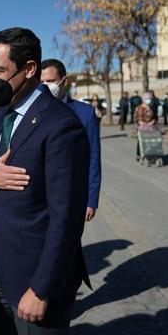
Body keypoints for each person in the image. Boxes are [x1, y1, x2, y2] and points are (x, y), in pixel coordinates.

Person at [0, 28, 90, 334]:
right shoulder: (2, 114)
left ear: (29, 69)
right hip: (0, 268)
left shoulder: (61, 126)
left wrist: (41, 290)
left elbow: (66, 218)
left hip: (37, 279)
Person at [41, 59, 102, 222]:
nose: (46, 86)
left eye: (51, 81)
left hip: (72, 197)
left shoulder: (85, 113)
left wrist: (91, 200)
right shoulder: (31, 112)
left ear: (64, 81)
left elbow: (93, 157)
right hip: (38, 199)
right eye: (41, 82)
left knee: (69, 245)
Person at [134, 92, 156, 161]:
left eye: (150, 98)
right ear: (143, 99)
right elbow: (135, 118)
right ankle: (139, 155)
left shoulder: (152, 107)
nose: (149, 100)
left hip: (150, 127)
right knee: (141, 141)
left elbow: (155, 117)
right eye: (147, 98)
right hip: (141, 127)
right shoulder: (139, 108)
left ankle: (149, 155)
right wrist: (139, 122)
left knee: (150, 141)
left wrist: (153, 121)